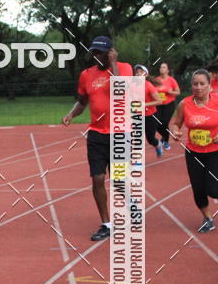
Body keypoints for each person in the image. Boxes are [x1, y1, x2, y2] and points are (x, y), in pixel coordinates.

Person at [62, 36, 133, 241]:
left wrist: (113, 64)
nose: (96, 56)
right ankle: (106, 224)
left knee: (118, 180)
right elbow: (82, 102)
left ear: (110, 53)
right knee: (98, 178)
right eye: (94, 52)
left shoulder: (125, 68)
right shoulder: (86, 75)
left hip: (120, 133)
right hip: (96, 134)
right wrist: (71, 114)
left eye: (100, 53)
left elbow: (121, 91)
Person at [169, 68, 218, 233]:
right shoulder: (185, 104)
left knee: (213, 189)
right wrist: (175, 131)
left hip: (215, 151)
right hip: (193, 152)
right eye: (195, 84)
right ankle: (208, 218)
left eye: (202, 84)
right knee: (198, 189)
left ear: (209, 86)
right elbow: (176, 123)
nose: (198, 87)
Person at [133, 64, 164, 157]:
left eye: (141, 72)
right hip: (137, 115)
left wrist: (144, 105)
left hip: (150, 115)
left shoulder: (148, 85)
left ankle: (158, 144)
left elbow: (159, 101)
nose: (138, 74)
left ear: (145, 75)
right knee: (136, 138)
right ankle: (137, 159)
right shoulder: (132, 85)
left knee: (150, 139)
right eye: (137, 72)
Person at [151, 61, 180, 149]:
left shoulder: (171, 80)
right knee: (156, 123)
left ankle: (166, 142)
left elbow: (178, 92)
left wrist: (170, 92)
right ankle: (164, 136)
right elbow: (151, 91)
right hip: (158, 104)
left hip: (169, 104)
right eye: (160, 67)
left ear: (168, 70)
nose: (161, 69)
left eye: (164, 67)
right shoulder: (156, 80)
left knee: (164, 123)